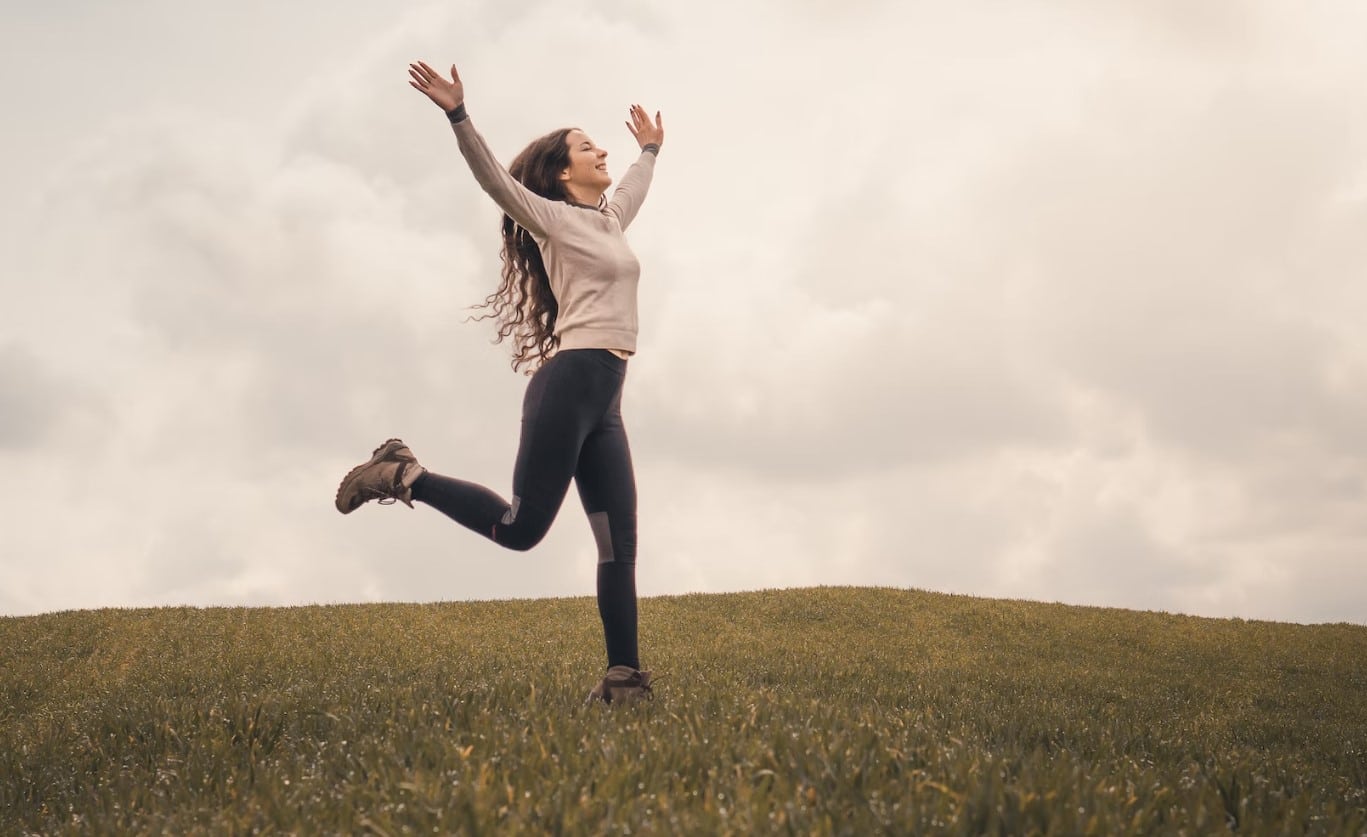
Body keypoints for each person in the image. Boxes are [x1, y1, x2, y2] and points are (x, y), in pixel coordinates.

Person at [334, 60, 664, 706]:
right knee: (519, 529)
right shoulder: (551, 219)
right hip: (570, 384)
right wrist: (458, 115)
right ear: (563, 172)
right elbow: (491, 179)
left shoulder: (606, 222)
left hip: (606, 397)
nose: (602, 149)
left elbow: (633, 186)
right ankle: (402, 474)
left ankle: (623, 682)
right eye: (586, 145)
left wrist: (649, 149)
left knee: (617, 543)